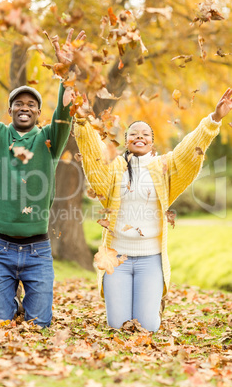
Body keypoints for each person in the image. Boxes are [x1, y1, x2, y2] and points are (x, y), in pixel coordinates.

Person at [74, 90, 232, 331]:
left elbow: (188, 152)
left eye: (145, 134)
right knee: (117, 325)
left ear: (152, 141)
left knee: (147, 326)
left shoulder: (163, 167)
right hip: (117, 259)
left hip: (151, 259)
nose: (140, 137)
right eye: (134, 134)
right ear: (126, 140)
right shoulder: (114, 167)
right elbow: (92, 153)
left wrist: (213, 120)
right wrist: (82, 119)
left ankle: (152, 305)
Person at [0, 24, 85, 327]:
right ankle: (7, 301)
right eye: (19, 103)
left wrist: (67, 72)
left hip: (38, 250)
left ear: (38, 113)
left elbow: (66, 111)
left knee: (39, 324)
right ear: (10, 110)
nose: (25, 108)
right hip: (1, 249)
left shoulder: (49, 140)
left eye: (31, 104)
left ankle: (26, 304)